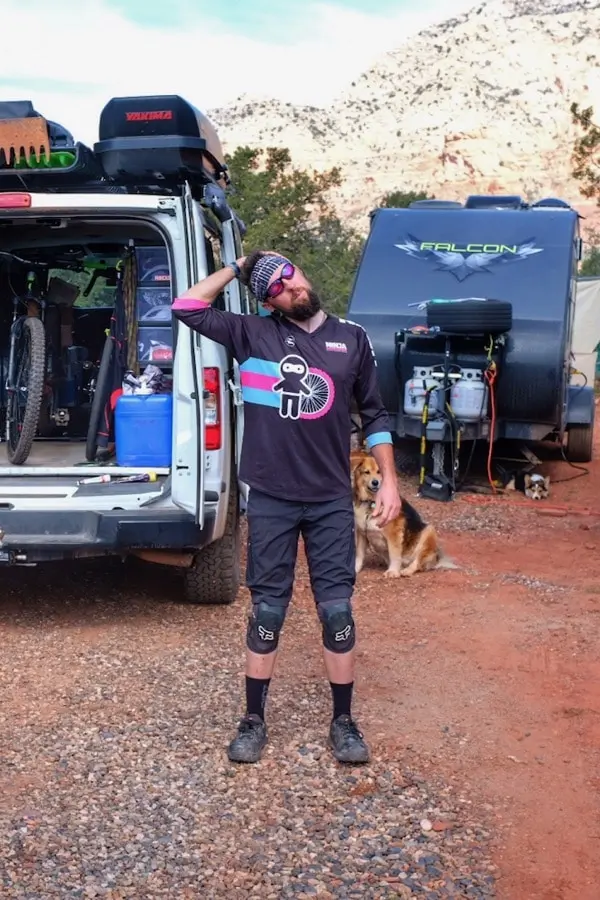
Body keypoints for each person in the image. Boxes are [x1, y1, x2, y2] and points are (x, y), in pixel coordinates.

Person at [171, 250, 401, 765]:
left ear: (302, 271)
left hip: (329, 500)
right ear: (267, 302)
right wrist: (238, 266)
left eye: (290, 275)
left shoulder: (353, 339)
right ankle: (253, 719)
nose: (290, 287)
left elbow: (375, 414)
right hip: (272, 497)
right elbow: (186, 307)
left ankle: (343, 721)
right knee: (267, 611)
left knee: (337, 611)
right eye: (275, 287)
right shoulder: (252, 333)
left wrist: (389, 480)